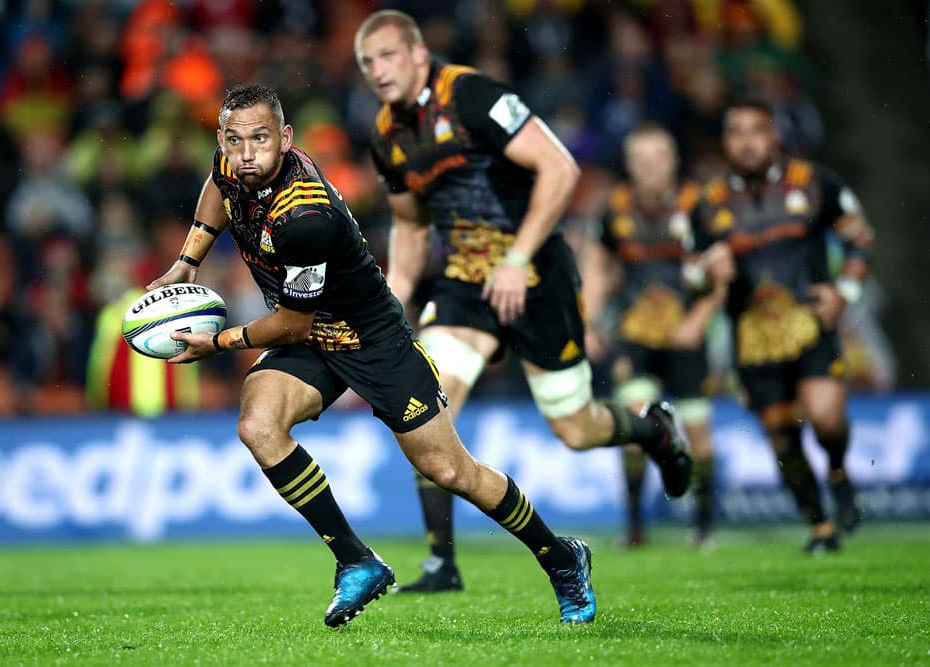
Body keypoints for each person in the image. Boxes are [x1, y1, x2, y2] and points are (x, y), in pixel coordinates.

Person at [147, 83, 598, 626]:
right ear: (221, 139)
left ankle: (560, 556)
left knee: (451, 471)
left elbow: (292, 322)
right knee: (259, 424)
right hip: (315, 338)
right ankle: (357, 561)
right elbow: (218, 187)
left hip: (371, 338)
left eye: (260, 140)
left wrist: (218, 342)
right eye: (234, 141)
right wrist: (189, 260)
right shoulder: (232, 167)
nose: (246, 155)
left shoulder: (303, 217)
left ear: (286, 139)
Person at [354, 9, 692, 593]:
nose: (378, 71)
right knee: (424, 406)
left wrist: (515, 260)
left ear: (415, 54)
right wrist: (398, 296)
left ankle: (652, 432)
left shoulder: (473, 94)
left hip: (535, 273)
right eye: (367, 62)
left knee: (577, 428)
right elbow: (409, 227)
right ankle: (443, 564)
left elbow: (560, 169)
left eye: (387, 56)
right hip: (464, 281)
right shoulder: (387, 132)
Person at [690, 98, 871, 554]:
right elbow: (690, 273)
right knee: (780, 433)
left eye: (757, 131)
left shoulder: (813, 183)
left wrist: (844, 293)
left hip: (809, 322)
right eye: (736, 133)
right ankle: (820, 527)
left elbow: (860, 237)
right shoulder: (708, 204)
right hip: (751, 337)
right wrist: (708, 268)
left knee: (826, 418)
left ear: (775, 136)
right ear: (725, 142)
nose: (747, 143)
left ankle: (838, 472)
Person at [582, 123, 722, 549]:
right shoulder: (616, 208)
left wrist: (699, 318)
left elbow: (724, 269)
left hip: (686, 335)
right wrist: (586, 320)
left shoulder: (699, 206)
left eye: (657, 157)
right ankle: (636, 528)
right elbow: (599, 264)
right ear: (628, 164)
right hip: (636, 333)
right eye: (640, 158)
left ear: (673, 160)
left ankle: (702, 527)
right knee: (635, 428)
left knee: (696, 430)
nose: (649, 166)